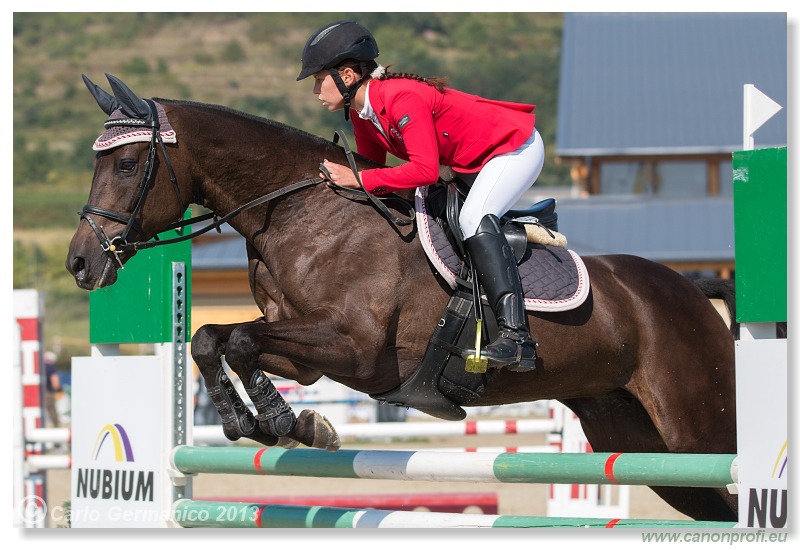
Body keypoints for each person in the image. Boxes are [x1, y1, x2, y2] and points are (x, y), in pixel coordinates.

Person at [297, 20, 544, 371]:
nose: (315, 91)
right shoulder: (364, 114)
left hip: (513, 148)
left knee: (473, 218)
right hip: (469, 161)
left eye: (318, 80)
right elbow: (374, 171)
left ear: (347, 76)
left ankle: (517, 338)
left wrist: (357, 179)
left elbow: (423, 171)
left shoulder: (401, 98)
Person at [43, 351, 62, 427]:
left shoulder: (40, 366)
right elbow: (55, 381)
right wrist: (59, 390)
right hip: (49, 392)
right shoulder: (51, 368)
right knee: (51, 409)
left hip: (39, 392)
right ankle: (56, 426)